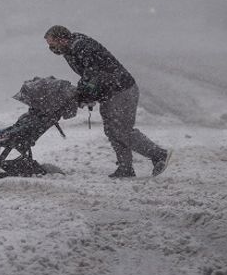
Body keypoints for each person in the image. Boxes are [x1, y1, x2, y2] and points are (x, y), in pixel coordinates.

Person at [44, 25, 172, 178]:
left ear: (61, 39)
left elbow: (93, 74)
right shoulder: (71, 49)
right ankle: (125, 168)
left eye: (52, 44)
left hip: (121, 90)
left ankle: (159, 155)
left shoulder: (82, 47)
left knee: (121, 130)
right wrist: (86, 93)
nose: (51, 48)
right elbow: (89, 75)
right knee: (113, 130)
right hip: (109, 92)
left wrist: (83, 94)